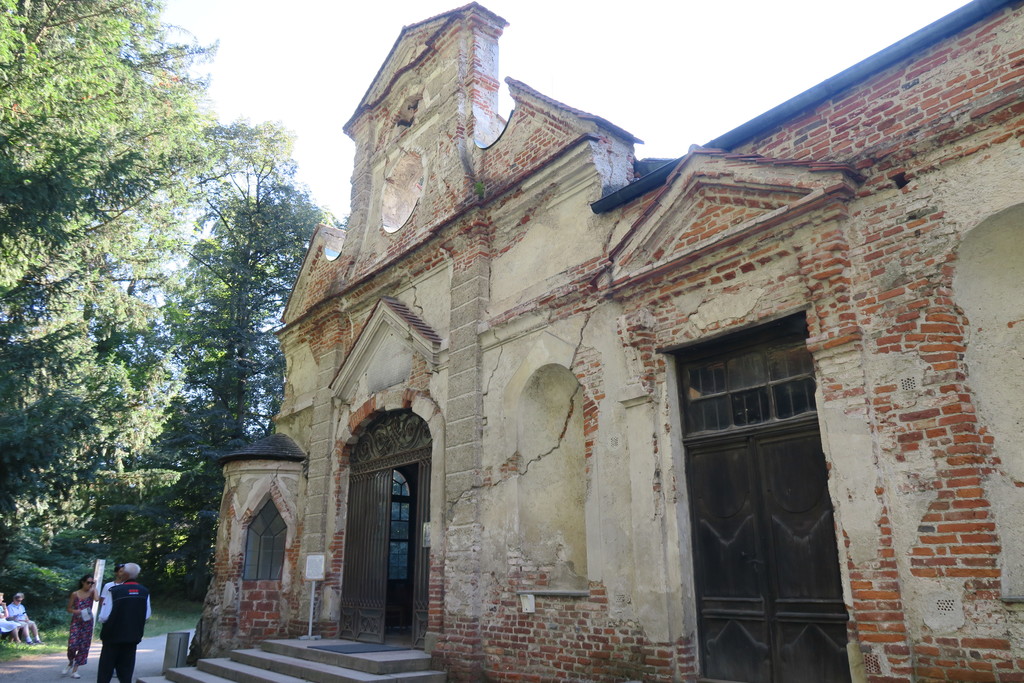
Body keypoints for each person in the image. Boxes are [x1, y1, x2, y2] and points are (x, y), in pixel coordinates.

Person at [97, 562, 150, 683]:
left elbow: (104, 616)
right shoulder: (144, 591)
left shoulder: (114, 591)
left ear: (125, 574)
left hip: (112, 636)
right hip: (133, 636)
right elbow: (147, 615)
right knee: (126, 670)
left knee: (106, 669)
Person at [63, 574, 98, 678]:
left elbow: (97, 599)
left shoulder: (92, 593)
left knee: (83, 646)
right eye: (88, 582)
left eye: (92, 583)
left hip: (87, 622)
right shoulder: (75, 594)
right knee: (72, 645)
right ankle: (70, 662)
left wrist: (94, 588)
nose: (90, 585)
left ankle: (75, 670)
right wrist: (76, 611)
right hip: (76, 622)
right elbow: (69, 608)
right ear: (83, 582)